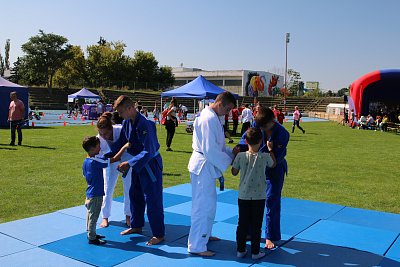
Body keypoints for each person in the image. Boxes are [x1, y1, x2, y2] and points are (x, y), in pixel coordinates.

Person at [106, 95, 165, 246]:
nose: (119, 115)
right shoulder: (127, 123)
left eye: (121, 111)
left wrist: (129, 163)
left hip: (150, 165)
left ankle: (158, 234)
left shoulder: (146, 125)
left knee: (153, 199)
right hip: (138, 165)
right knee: (135, 195)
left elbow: (149, 151)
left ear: (130, 108)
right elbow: (121, 143)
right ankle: (136, 225)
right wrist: (104, 155)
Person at [187, 91, 238, 257]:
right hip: (203, 165)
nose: (228, 113)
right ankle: (196, 245)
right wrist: (230, 161)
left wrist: (231, 153)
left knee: (209, 204)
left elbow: (218, 147)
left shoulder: (214, 117)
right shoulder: (208, 118)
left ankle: (205, 235)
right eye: (228, 109)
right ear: (220, 103)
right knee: (202, 206)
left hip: (206, 165)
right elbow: (210, 150)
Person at [237, 106, 289, 250]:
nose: (263, 129)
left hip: (275, 169)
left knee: (272, 200)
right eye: (260, 127)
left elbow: (274, 161)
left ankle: (270, 236)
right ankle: (248, 231)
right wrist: (239, 147)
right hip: (256, 167)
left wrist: (270, 149)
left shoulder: (282, 134)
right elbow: (246, 139)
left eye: (265, 127)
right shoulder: (257, 124)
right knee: (251, 199)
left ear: (273, 121)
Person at [232, 127, 276, 260]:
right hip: (259, 196)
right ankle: (255, 252)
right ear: (261, 141)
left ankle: (240, 250)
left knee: (242, 223)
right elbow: (273, 164)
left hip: (244, 195)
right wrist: (270, 148)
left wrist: (235, 155)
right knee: (256, 224)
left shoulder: (240, 156)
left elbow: (234, 172)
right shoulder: (264, 157)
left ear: (245, 141)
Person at [82, 136, 130, 245]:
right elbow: (114, 159)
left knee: (90, 215)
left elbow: (85, 175)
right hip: (96, 194)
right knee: (94, 216)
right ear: (93, 149)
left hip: (89, 192)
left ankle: (91, 233)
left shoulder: (86, 161)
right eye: (98, 147)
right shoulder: (95, 161)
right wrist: (124, 147)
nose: (100, 149)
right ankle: (92, 237)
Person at [96, 112, 132, 228]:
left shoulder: (121, 130)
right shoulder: (98, 139)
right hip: (110, 162)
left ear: (111, 127)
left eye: (106, 133)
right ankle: (105, 217)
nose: (104, 136)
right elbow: (101, 158)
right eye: (101, 134)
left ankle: (128, 215)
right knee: (107, 188)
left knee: (128, 187)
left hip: (126, 159)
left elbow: (131, 144)